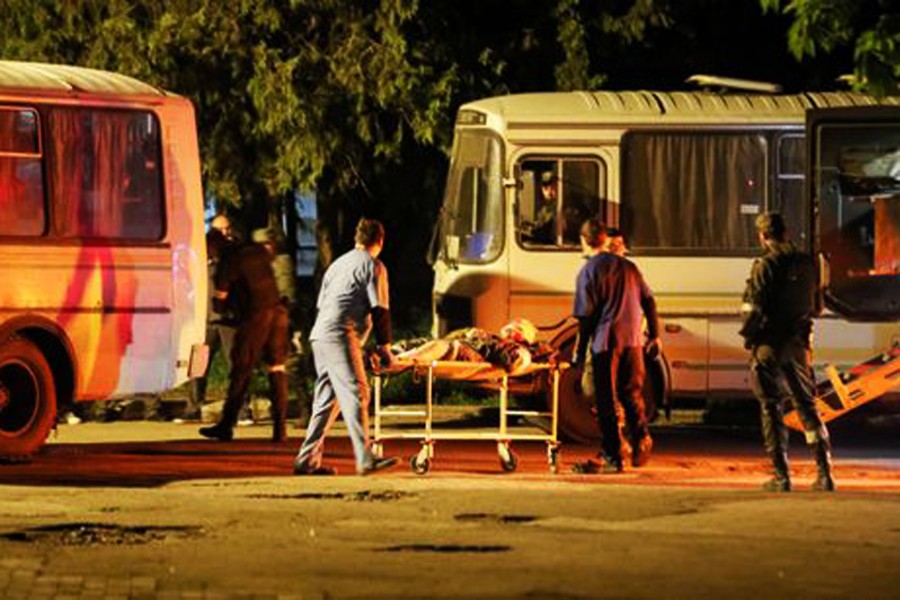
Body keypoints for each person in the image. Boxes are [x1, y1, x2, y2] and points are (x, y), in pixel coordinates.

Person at [292, 218, 399, 475]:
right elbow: (380, 310)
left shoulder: (337, 265)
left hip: (320, 334)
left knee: (327, 401)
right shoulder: (373, 266)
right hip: (341, 334)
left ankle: (307, 460)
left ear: (357, 238)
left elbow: (323, 304)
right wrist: (385, 348)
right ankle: (365, 458)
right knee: (357, 393)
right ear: (380, 241)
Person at [740, 212, 834, 492]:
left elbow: (752, 310)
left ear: (763, 236)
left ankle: (781, 477)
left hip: (770, 344)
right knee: (807, 406)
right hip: (798, 345)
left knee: (771, 407)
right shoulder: (808, 263)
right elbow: (817, 305)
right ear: (786, 232)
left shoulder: (765, 265)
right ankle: (825, 474)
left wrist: (749, 338)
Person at [571, 218, 661, 473]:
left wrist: (579, 352)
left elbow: (586, 318)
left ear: (585, 241)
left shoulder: (588, 271)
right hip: (634, 342)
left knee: (606, 401)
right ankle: (642, 438)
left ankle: (614, 454)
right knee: (632, 393)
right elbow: (649, 300)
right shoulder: (629, 267)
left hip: (606, 343)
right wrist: (655, 335)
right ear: (604, 239)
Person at [199, 227, 291, 442]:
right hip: (278, 314)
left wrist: (224, 308)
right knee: (276, 368)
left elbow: (220, 300)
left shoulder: (227, 261)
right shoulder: (255, 250)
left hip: (255, 318)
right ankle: (280, 429)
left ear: (213, 246)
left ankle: (226, 425)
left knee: (241, 370)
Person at [185, 215, 240, 421]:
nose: (225, 233)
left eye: (227, 229)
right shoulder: (201, 253)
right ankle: (193, 407)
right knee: (198, 365)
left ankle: (240, 410)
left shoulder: (236, 253)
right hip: (205, 319)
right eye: (220, 230)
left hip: (229, 319)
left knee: (235, 364)